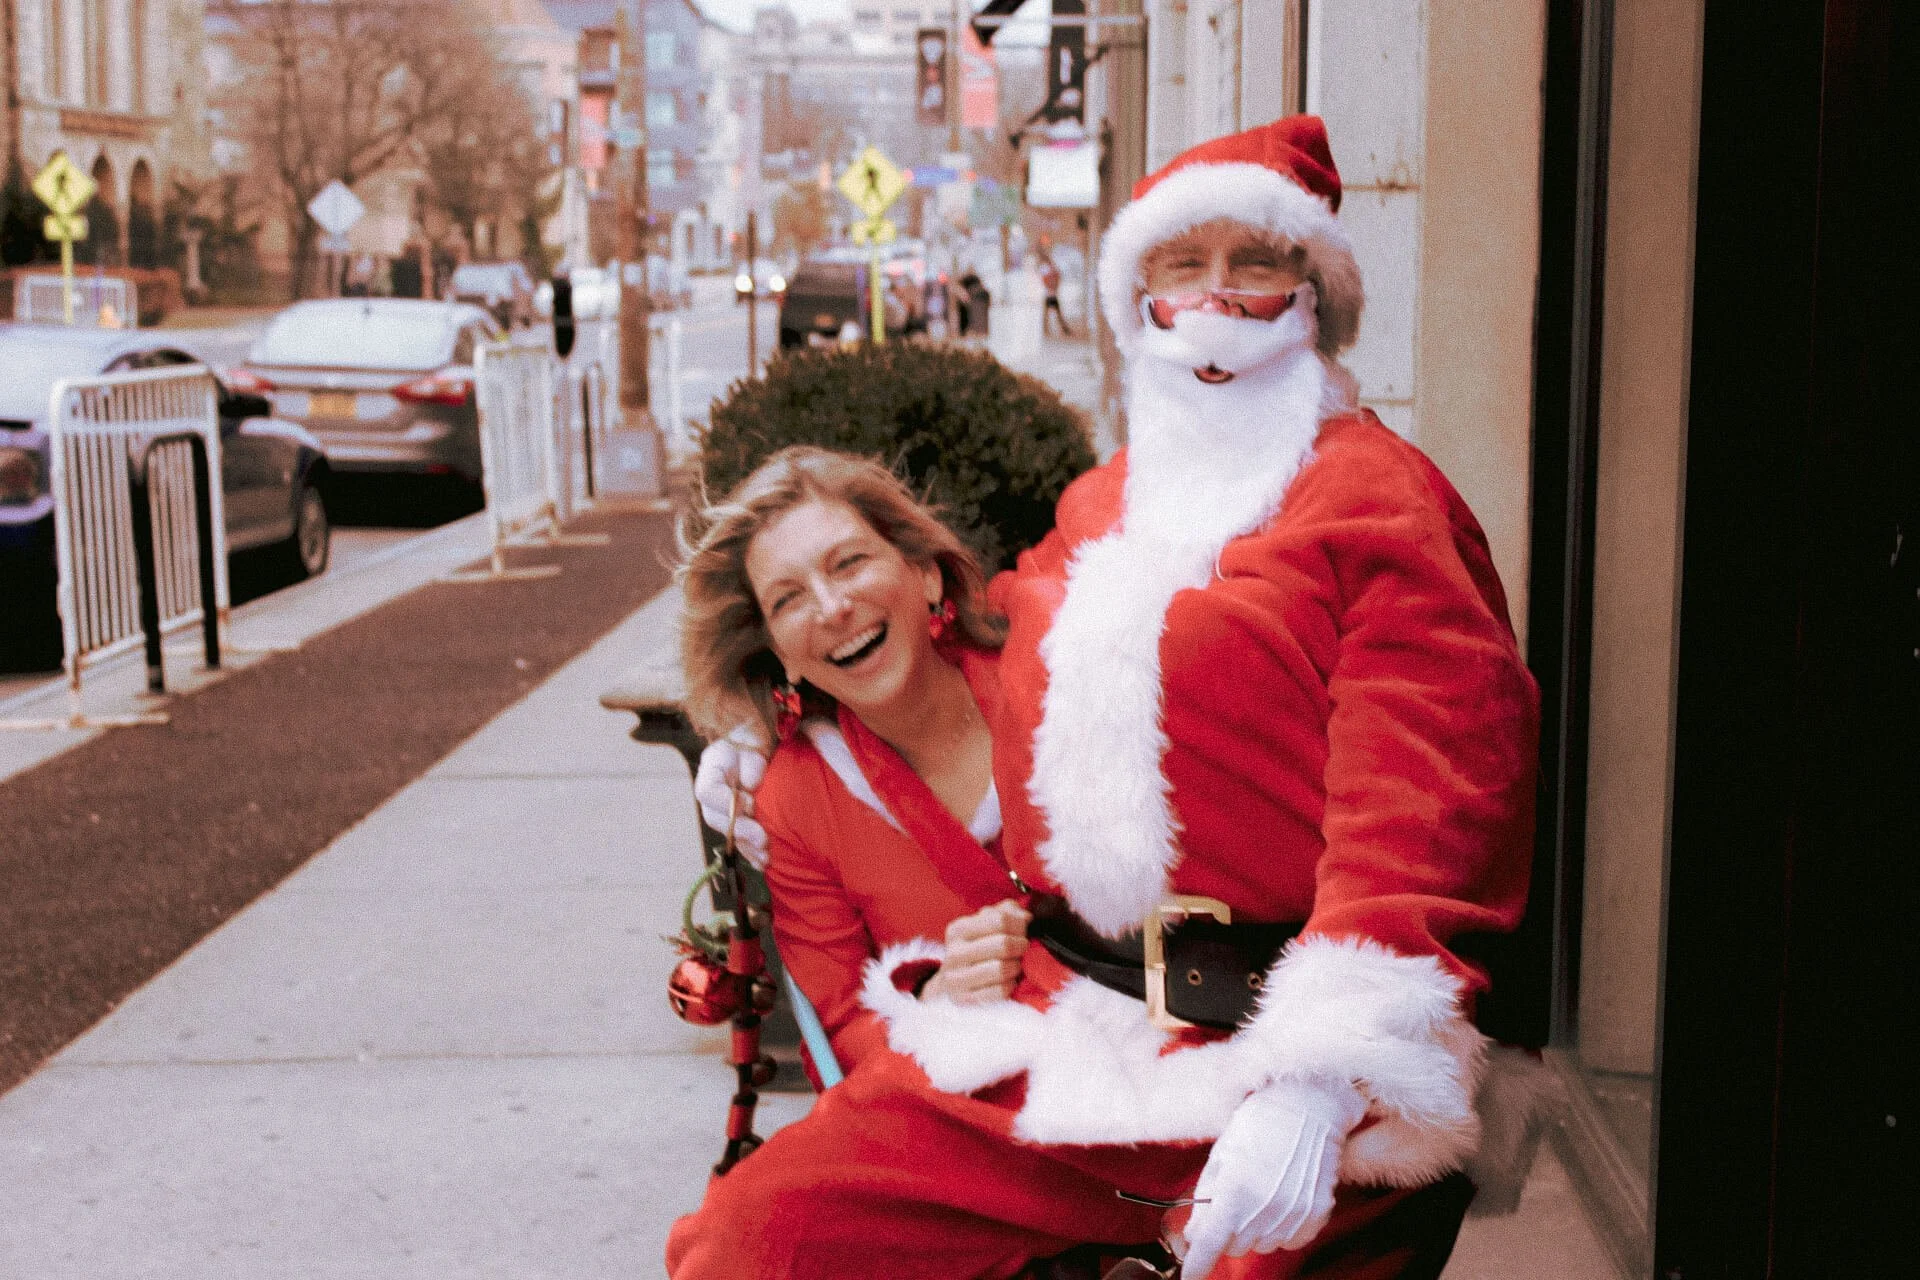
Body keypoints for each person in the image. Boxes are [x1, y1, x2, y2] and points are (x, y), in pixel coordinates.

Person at [689, 115, 1543, 1279]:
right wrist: (776, 727)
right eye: (1180, 266)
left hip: (1269, 1039)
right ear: (1136, 298)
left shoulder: (1382, 503)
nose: (1214, 297)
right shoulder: (1103, 505)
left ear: (1315, 291)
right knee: (757, 1237)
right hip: (1067, 1023)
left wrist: (1322, 1073)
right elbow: (983, 646)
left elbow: (1434, 798)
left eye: (1255, 262)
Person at [1038, 253, 1071, 338]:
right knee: (1054, 313)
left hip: (1049, 294)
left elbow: (1046, 279)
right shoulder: (1049, 268)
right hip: (1050, 294)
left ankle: (1061, 329)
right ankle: (1063, 329)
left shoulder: (1046, 268)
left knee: (1052, 313)